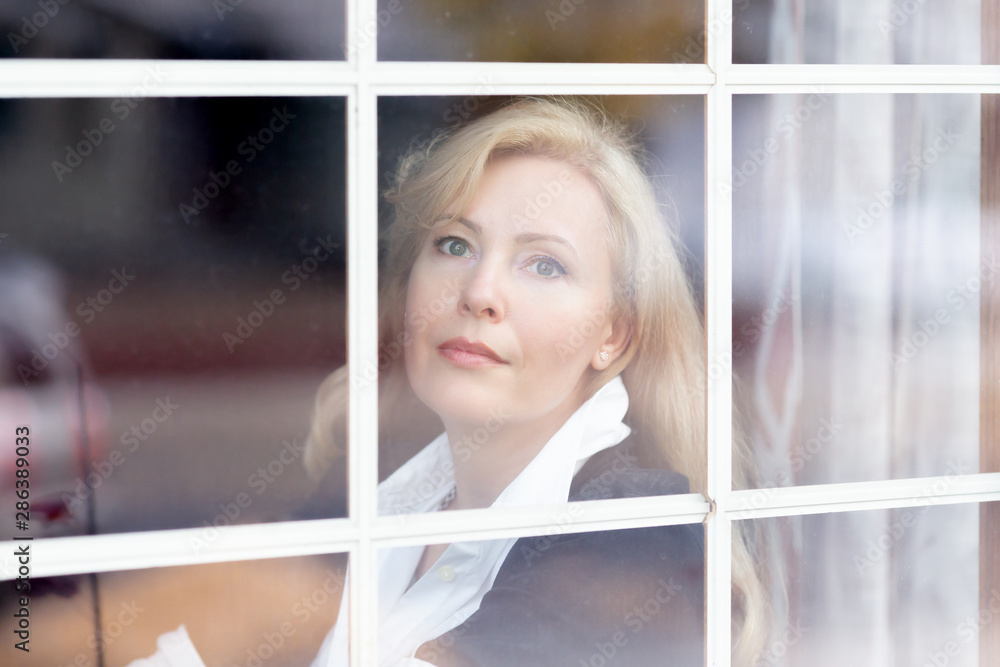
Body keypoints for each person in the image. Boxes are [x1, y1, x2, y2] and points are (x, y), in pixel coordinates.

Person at [128, 97, 767, 667]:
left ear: (614, 335)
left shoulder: (635, 535)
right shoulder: (377, 503)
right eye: (456, 246)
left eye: (544, 264)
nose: (480, 292)